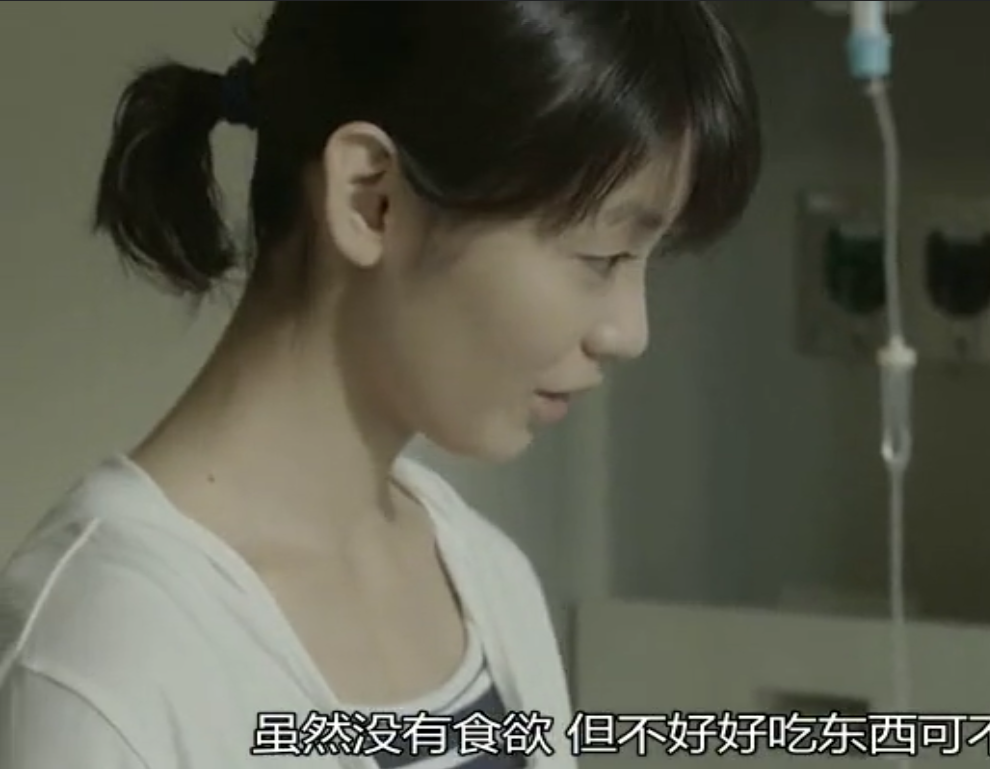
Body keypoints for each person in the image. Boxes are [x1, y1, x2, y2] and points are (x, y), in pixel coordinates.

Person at [0, 2, 760, 768]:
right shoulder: (102, 659)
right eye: (601, 256)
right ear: (371, 199)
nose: (629, 331)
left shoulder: (483, 573)